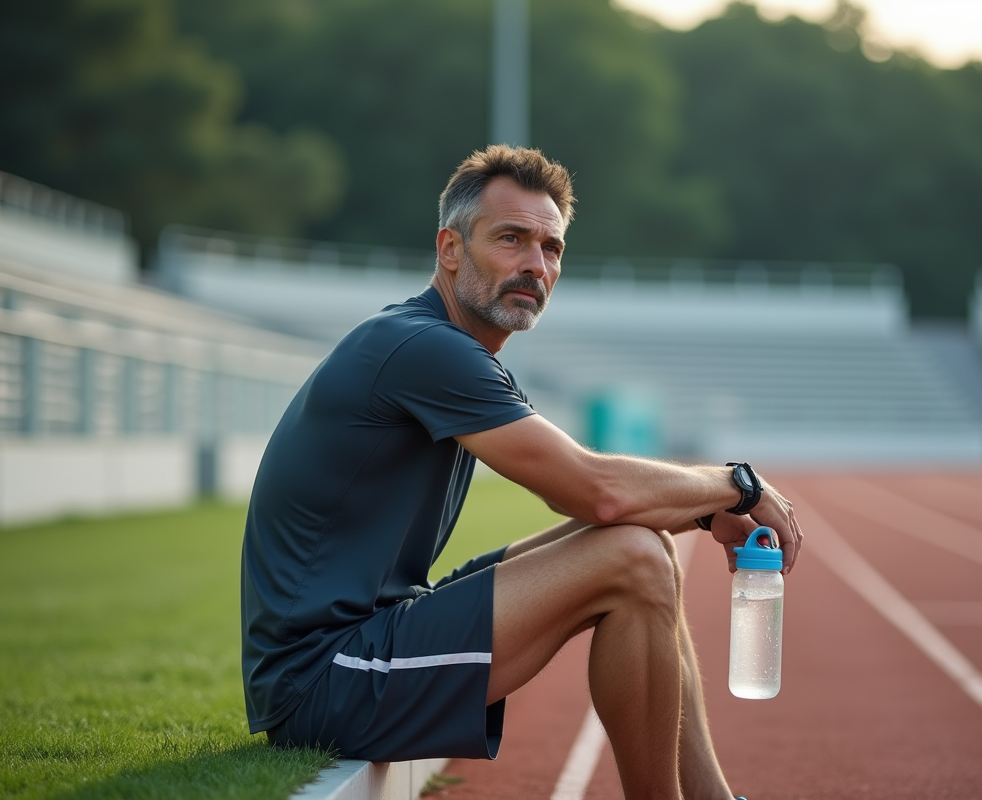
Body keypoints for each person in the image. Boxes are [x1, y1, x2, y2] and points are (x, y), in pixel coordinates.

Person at [241, 145, 804, 800]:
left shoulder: (450, 350)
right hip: (323, 678)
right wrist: (740, 485)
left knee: (646, 542)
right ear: (450, 249)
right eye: (511, 239)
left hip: (366, 639)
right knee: (634, 557)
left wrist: (705, 511)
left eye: (551, 248)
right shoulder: (423, 348)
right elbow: (597, 491)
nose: (536, 265)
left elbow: (597, 501)